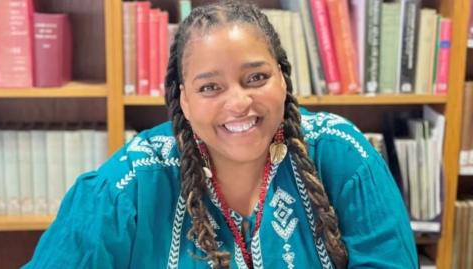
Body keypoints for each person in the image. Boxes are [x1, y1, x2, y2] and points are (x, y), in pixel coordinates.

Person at [23, 1, 418, 268]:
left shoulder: (342, 154)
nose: (239, 103)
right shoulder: (131, 182)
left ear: (283, 79)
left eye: (257, 77)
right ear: (185, 101)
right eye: (210, 87)